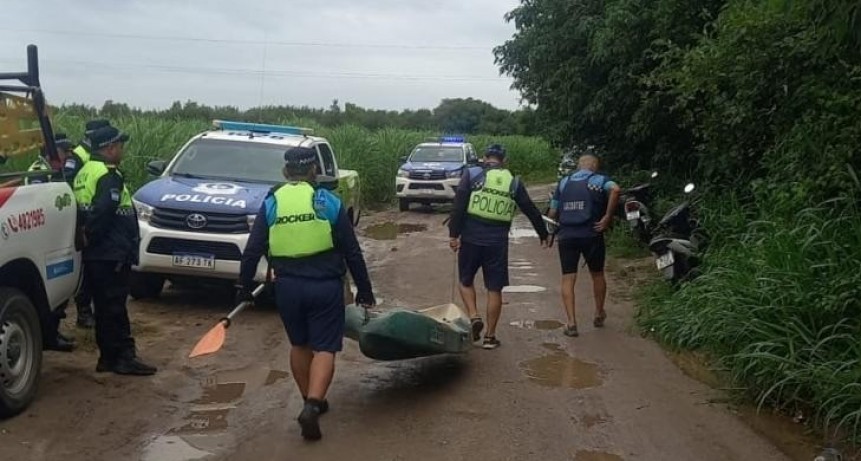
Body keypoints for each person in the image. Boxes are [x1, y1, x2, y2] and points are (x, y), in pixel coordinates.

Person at [237, 146, 375, 441]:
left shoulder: (273, 201)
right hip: (325, 286)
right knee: (325, 347)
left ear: (286, 172)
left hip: (287, 287)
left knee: (299, 345)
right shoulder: (328, 201)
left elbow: (253, 250)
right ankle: (314, 404)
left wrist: (244, 288)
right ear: (314, 171)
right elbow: (352, 251)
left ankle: (309, 401)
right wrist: (365, 290)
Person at [447, 144, 549, 350]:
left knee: (465, 281)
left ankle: (474, 315)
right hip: (497, 243)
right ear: (504, 161)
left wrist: (453, 235)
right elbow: (529, 208)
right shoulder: (514, 182)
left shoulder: (472, 175)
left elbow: (458, 207)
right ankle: (490, 338)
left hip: (471, 239)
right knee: (494, 288)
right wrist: (543, 233)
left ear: (485, 158)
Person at [73, 125, 157, 376]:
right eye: (119, 146)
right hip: (110, 252)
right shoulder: (108, 175)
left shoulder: (85, 171)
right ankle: (122, 357)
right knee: (114, 308)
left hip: (97, 254)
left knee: (103, 306)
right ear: (109, 148)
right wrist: (94, 238)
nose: (122, 150)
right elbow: (104, 212)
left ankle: (107, 357)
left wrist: (88, 239)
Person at [547, 152, 621, 337]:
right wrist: (607, 217)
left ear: (579, 166)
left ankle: (571, 323)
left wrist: (549, 233)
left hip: (567, 236)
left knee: (568, 278)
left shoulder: (564, 182)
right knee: (597, 274)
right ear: (594, 166)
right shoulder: (599, 180)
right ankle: (598, 312)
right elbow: (616, 190)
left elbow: (553, 211)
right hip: (592, 235)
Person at [25, 133, 78, 352]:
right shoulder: (40, 170)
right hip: (40, 237)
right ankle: (49, 336)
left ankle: (52, 333)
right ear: (53, 151)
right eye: (65, 152)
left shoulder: (54, 169)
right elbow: (39, 202)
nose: (67, 156)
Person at [68, 119, 111, 330]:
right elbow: (67, 183)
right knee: (84, 271)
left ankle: (87, 311)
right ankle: (83, 313)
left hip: (90, 217)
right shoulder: (77, 155)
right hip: (84, 218)